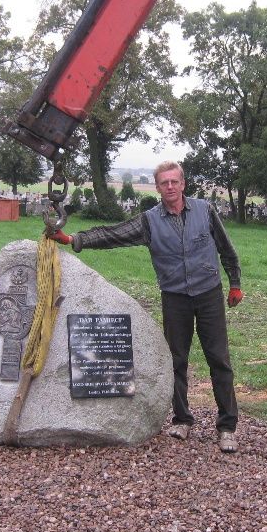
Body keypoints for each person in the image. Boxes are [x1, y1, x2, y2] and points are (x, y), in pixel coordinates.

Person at [49, 160, 243, 453]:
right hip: (174, 297)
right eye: (164, 183)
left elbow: (227, 248)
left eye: (174, 182)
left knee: (219, 359)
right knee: (176, 359)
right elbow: (113, 234)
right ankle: (182, 419)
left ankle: (227, 426)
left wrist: (235, 283)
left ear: (183, 184)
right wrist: (73, 239)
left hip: (208, 294)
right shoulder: (150, 221)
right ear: (158, 187)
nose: (170, 187)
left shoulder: (205, 211)